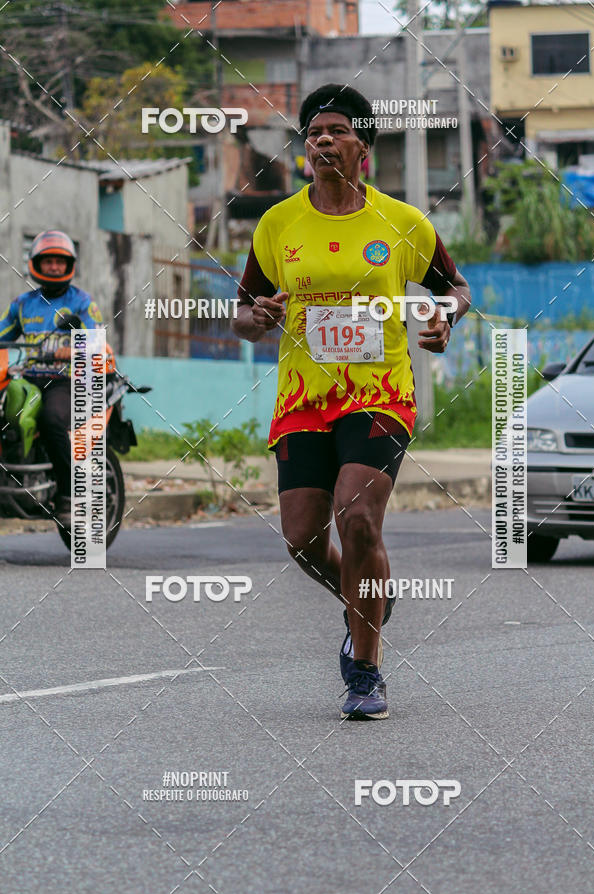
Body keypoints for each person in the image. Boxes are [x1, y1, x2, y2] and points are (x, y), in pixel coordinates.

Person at [232, 84, 471, 720]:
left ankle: (365, 671)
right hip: (304, 398)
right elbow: (243, 317)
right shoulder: (277, 223)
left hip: (380, 394)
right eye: (314, 132)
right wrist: (255, 316)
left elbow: (455, 289)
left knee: (357, 518)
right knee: (301, 536)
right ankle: (365, 597)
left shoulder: (403, 223)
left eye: (336, 130)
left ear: (363, 144)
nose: (323, 140)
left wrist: (444, 318)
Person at [0, 230, 104, 529]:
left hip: (66, 380)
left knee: (51, 418)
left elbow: (97, 342)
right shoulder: (22, 304)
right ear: (37, 264)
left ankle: (69, 495)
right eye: (49, 261)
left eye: (60, 261)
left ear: (69, 264)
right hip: (28, 378)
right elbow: (2, 333)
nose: (55, 267)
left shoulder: (82, 302)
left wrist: (66, 350)